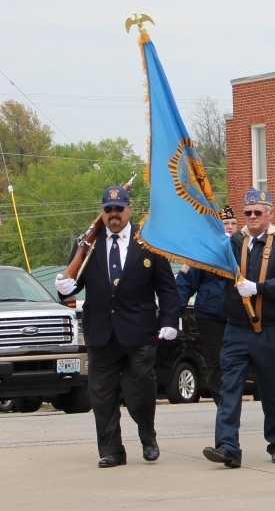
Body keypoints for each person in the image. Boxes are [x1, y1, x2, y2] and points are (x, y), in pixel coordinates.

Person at [55, 185, 181, 468]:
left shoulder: (148, 241)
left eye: (119, 209)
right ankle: (112, 450)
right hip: (101, 330)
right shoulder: (88, 243)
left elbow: (167, 288)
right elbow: (72, 284)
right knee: (102, 395)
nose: (114, 214)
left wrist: (171, 320)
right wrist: (64, 288)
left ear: (129, 210)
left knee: (140, 391)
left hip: (139, 330)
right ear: (102, 213)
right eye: (108, 209)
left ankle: (147, 436)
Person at [203, 189, 275, 469]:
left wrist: (259, 288)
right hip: (236, 328)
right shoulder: (234, 243)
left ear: (270, 214)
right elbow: (212, 270)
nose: (252, 217)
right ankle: (227, 446)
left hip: (271, 330)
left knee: (273, 390)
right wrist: (216, 247)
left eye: (258, 213)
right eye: (247, 213)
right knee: (229, 387)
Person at [176, 204, 235, 399]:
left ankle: (232, 400)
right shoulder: (203, 250)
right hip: (210, 315)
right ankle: (223, 403)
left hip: (237, 315)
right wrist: (174, 313)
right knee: (217, 360)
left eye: (233, 223)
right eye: (226, 223)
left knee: (235, 360)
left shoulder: (242, 248)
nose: (230, 227)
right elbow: (184, 283)